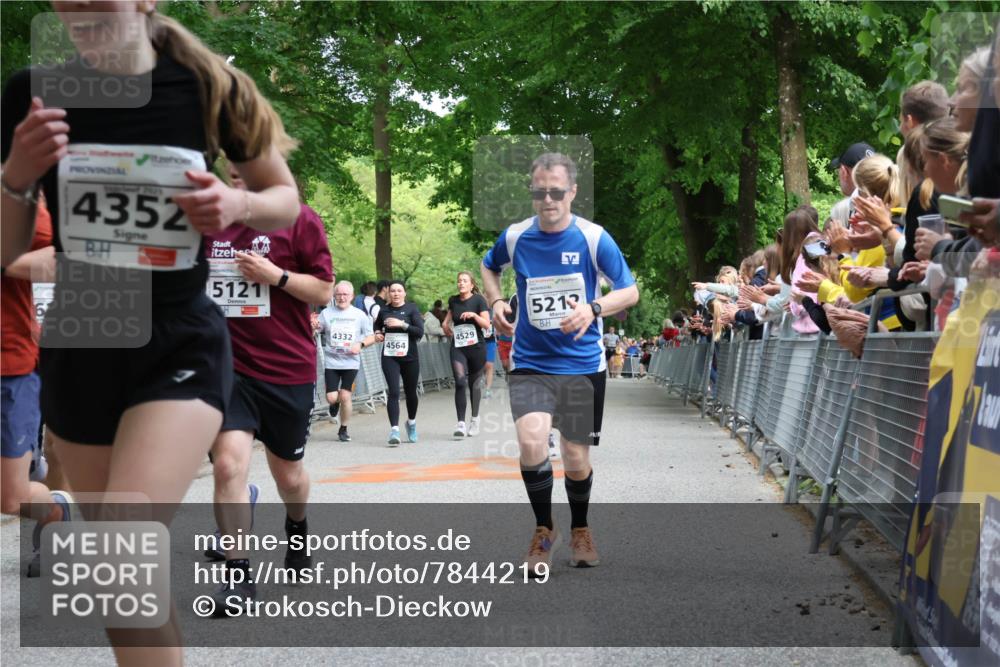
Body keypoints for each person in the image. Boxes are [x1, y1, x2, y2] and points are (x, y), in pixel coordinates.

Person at [1, 2, 300, 663]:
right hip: (82, 340)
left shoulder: (209, 84)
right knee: (119, 580)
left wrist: (238, 203)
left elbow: (285, 196)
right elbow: (7, 247)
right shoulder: (31, 92)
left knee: (118, 542)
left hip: (176, 338)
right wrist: (17, 175)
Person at [481, 152, 639, 575]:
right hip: (531, 361)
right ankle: (544, 530)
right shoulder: (516, 237)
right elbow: (488, 266)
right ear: (531, 193)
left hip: (581, 364)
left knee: (574, 457)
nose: (547, 199)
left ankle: (581, 528)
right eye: (539, 192)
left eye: (556, 191)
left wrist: (594, 307)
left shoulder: (593, 238)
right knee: (532, 442)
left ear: (571, 192)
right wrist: (495, 301)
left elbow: (629, 290)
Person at [203, 166, 333, 612]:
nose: (238, 175)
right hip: (223, 370)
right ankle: (238, 579)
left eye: (248, 168)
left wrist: (275, 275)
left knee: (289, 476)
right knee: (227, 466)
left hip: (285, 369)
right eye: (232, 168)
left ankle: (297, 530)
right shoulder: (207, 220)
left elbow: (322, 290)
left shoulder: (299, 219)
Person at [0, 201, 72, 578]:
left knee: (12, 497)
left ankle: (55, 514)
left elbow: (63, 254)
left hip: (12, 365)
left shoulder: (23, 197)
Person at [318, 280, 373, 442]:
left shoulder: (359, 315)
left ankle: (343, 429)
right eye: (339, 294)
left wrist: (360, 344)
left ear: (352, 296)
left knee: (345, 396)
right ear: (334, 296)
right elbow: (316, 328)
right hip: (332, 362)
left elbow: (371, 336)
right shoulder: (326, 313)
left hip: (351, 362)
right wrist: (313, 325)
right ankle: (333, 404)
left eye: (345, 294)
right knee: (332, 397)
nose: (342, 297)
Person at [373, 281, 424, 446]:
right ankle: (394, 430)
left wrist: (402, 324)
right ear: (388, 294)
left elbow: (419, 332)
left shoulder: (412, 309)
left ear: (404, 293)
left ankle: (411, 423)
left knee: (411, 393)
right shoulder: (384, 310)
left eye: (399, 291)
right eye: (392, 291)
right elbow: (377, 326)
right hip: (390, 356)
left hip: (410, 357)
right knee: (393, 392)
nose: (395, 293)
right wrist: (378, 333)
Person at [442, 271, 490, 437]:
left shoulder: (479, 300)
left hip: (476, 347)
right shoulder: (453, 300)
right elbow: (448, 318)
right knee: (460, 381)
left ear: (471, 284)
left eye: (464, 281)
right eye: (459, 281)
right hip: (459, 347)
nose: (461, 283)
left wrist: (474, 315)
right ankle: (461, 423)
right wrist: (445, 324)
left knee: (474, 384)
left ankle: (475, 419)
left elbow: (486, 324)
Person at [482, 312, 498, 399]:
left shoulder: (492, 310)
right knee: (482, 365)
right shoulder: (475, 308)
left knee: (489, 365)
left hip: (490, 341)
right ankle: (485, 378)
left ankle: (488, 390)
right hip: (478, 341)